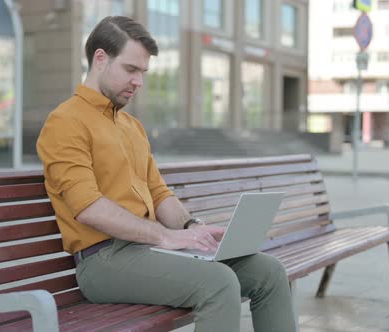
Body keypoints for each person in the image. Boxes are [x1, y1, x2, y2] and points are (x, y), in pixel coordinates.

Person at [36, 16, 296, 332]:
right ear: (101, 59)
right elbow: (88, 207)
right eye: (131, 69)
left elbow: (159, 193)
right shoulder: (65, 122)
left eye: (143, 72)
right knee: (218, 283)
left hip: (147, 251)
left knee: (269, 272)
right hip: (103, 261)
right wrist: (166, 236)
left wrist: (193, 227)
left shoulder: (132, 126)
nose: (139, 82)